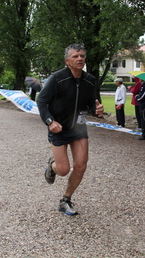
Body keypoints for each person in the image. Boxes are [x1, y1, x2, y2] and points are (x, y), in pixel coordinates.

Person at [36, 43, 104, 216]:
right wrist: (50, 122)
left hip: (79, 127)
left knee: (81, 166)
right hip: (58, 127)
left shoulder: (90, 80)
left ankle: (65, 199)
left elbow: (91, 104)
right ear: (67, 61)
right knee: (64, 169)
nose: (79, 59)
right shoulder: (57, 78)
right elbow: (41, 101)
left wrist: (97, 111)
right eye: (75, 56)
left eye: (82, 56)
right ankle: (52, 167)